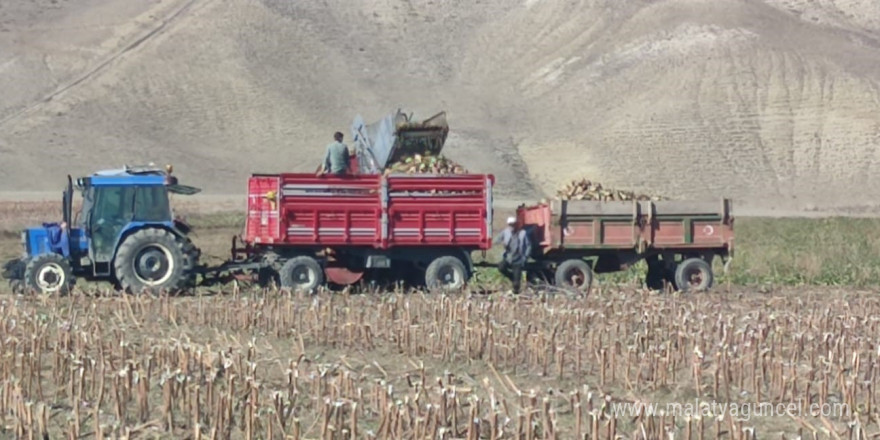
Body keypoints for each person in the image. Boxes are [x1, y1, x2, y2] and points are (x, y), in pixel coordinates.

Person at [496, 216, 531, 294]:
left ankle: (516, 293)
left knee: (516, 284)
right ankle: (512, 277)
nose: (511, 226)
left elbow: (528, 245)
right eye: (510, 225)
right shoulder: (505, 232)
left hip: (518, 259)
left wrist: (525, 257)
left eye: (513, 224)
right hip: (509, 258)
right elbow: (497, 240)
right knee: (501, 267)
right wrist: (502, 243)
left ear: (516, 225)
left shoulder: (523, 233)